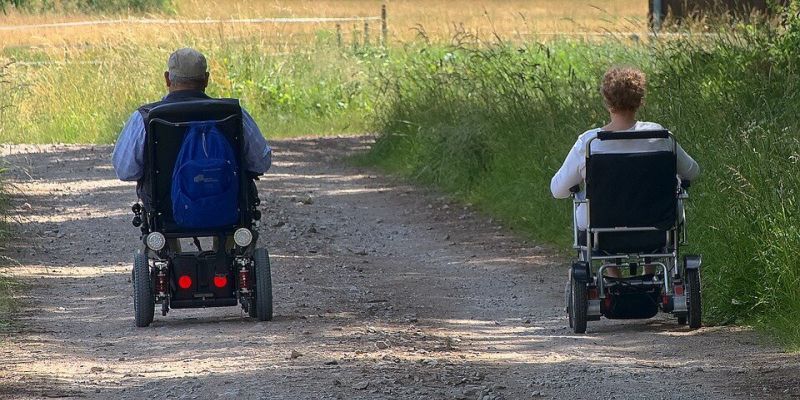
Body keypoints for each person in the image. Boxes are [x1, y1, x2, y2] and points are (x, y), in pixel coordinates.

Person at [550, 66, 700, 277]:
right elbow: (692, 171)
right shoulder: (662, 138)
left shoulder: (590, 143)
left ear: (607, 100)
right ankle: (652, 269)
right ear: (640, 100)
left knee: (588, 208)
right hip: (658, 227)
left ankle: (612, 274)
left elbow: (558, 190)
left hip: (602, 229)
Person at [111, 48, 272, 201]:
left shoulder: (145, 117)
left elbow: (126, 171)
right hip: (229, 209)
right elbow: (261, 162)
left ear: (167, 78)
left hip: (165, 211)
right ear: (206, 79)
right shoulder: (234, 114)